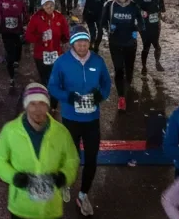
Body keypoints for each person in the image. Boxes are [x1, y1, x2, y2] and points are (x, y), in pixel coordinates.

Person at [0, 82, 80, 219]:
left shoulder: (61, 132)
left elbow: (72, 159)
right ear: (26, 106)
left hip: (51, 209)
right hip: (21, 208)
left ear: (48, 106)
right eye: (32, 104)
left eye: (42, 104)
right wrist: (13, 177)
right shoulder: (10, 131)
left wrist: (64, 176)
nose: (37, 109)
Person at [48, 25, 110, 217]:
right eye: (78, 42)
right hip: (71, 119)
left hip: (92, 119)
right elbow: (53, 87)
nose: (82, 45)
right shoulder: (62, 62)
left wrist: (101, 96)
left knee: (91, 159)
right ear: (73, 43)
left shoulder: (98, 61)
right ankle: (66, 182)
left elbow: (106, 83)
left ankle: (83, 195)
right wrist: (69, 97)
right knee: (71, 158)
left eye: (85, 42)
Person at [100, 0, 143, 110]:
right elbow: (102, 22)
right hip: (115, 43)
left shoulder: (134, 6)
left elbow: (141, 22)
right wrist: (108, 30)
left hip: (130, 44)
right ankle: (121, 97)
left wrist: (136, 29)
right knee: (119, 69)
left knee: (129, 69)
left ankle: (128, 85)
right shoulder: (109, 6)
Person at [25, 0, 70, 108]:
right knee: (45, 79)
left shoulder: (60, 17)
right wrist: (41, 37)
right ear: (42, 6)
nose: (49, 7)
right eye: (46, 4)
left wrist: (64, 38)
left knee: (55, 79)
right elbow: (29, 36)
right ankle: (47, 98)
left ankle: (54, 104)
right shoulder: (36, 18)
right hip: (41, 55)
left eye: (51, 4)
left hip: (56, 54)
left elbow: (66, 35)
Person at [0, 0, 29, 89]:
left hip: (17, 30)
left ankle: (16, 60)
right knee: (9, 51)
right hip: (5, 31)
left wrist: (25, 24)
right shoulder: (1, 0)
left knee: (18, 48)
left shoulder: (20, 2)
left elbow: (25, 13)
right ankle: (11, 75)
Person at [134, 0, 166, 73]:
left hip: (155, 22)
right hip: (143, 23)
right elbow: (135, 6)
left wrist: (161, 12)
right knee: (146, 45)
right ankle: (144, 66)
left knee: (156, 44)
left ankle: (157, 62)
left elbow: (161, 5)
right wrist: (141, 12)